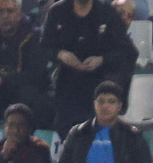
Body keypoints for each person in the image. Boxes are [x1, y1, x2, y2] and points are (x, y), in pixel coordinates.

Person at [41, 0, 138, 135]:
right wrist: (60, 54)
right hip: (67, 83)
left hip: (99, 82)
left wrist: (102, 60)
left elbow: (128, 52)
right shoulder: (56, 11)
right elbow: (44, 47)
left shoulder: (106, 12)